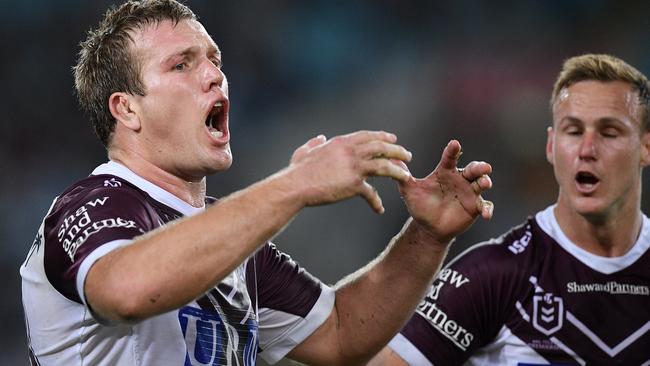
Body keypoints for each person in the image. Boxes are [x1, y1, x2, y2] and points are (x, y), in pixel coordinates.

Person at [19, 1, 494, 365]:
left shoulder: (230, 243)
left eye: (213, 59)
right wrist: (295, 185)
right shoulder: (90, 207)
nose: (215, 75)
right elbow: (123, 291)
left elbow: (342, 332)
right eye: (181, 65)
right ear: (127, 109)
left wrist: (427, 236)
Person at [370, 53, 650, 366]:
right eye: (573, 131)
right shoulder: (491, 275)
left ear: (645, 147)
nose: (587, 150)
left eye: (609, 132)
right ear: (551, 146)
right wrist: (427, 238)